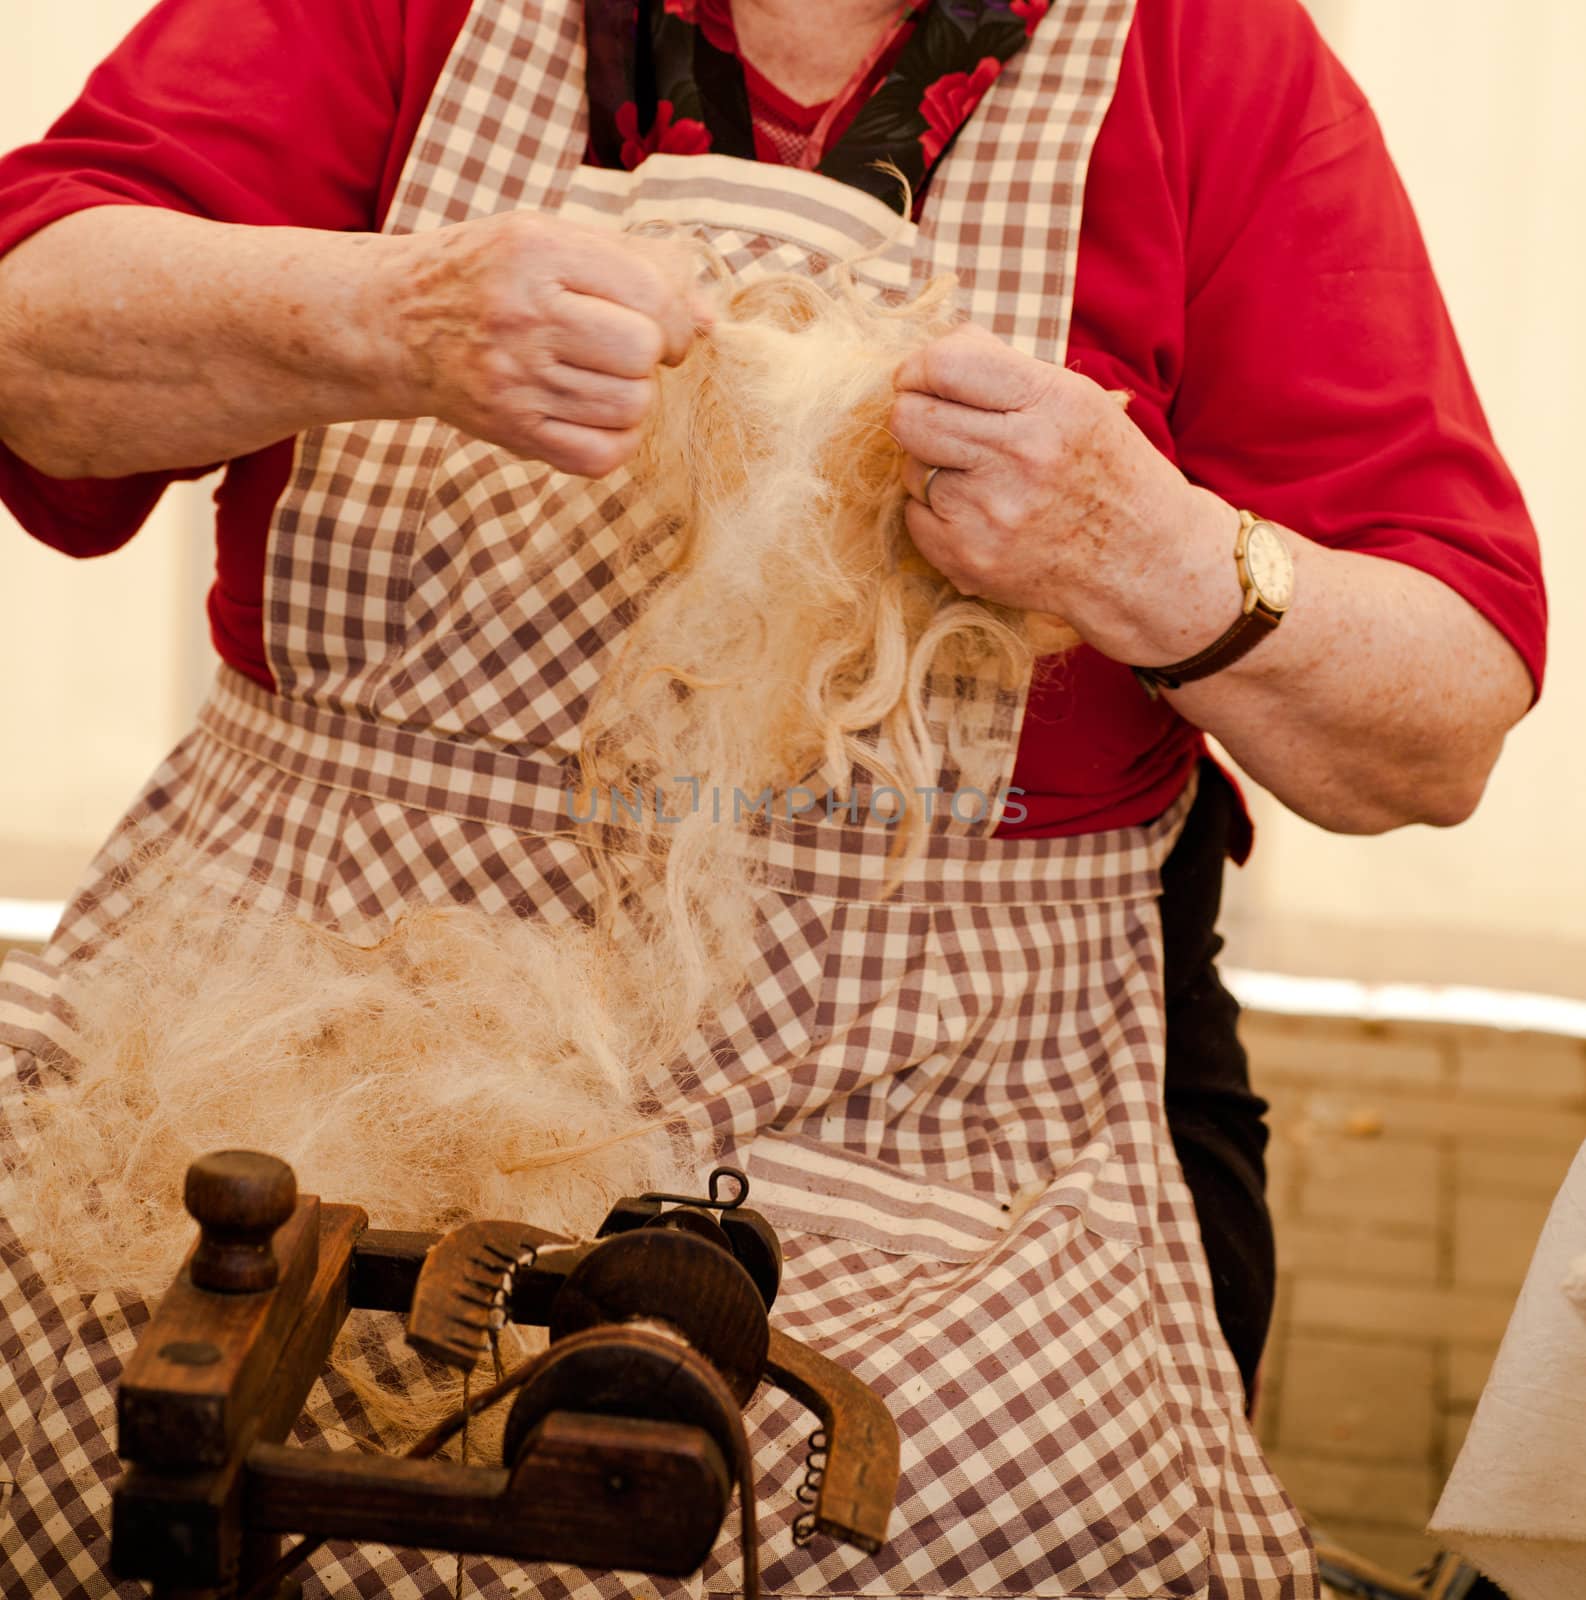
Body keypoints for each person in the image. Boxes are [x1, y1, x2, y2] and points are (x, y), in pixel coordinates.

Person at [0, 0, 1544, 1596]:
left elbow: (1430, 735)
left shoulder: (1206, 65)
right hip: (286, 1031)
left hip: (935, 1108)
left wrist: (1146, 559)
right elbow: (25, 342)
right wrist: (388, 316)